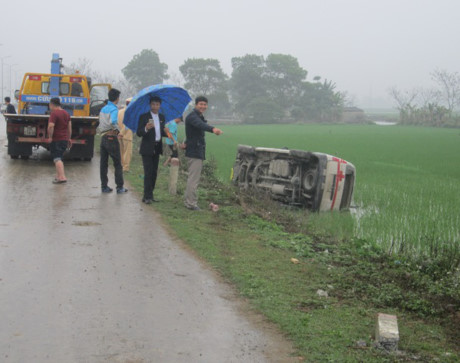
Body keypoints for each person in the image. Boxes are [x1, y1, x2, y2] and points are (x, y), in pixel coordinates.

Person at [184, 96, 223, 211]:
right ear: (196, 105)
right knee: (193, 179)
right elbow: (201, 125)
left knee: (193, 178)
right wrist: (213, 129)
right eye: (200, 104)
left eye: (205, 104)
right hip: (195, 151)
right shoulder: (193, 117)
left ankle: (189, 201)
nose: (203, 106)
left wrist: (185, 142)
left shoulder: (198, 116)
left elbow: (192, 133)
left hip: (196, 149)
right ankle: (191, 204)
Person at [136, 96, 167, 204]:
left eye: (157, 104)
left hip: (157, 147)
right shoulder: (144, 117)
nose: (155, 106)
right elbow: (139, 133)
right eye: (153, 104)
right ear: (150, 105)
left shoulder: (162, 117)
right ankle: (147, 196)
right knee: (148, 172)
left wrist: (168, 132)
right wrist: (146, 128)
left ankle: (150, 195)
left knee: (154, 173)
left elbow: (161, 132)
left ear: (160, 105)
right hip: (147, 147)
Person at [98, 88, 128, 194]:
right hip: (111, 138)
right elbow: (113, 121)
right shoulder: (114, 109)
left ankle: (104, 186)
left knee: (103, 164)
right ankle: (120, 187)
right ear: (117, 98)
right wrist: (118, 131)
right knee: (117, 164)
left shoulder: (103, 109)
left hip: (103, 138)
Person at [47, 98, 71, 184]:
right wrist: (69, 138)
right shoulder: (66, 113)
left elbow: (51, 126)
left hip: (56, 139)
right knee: (59, 157)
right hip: (64, 139)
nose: (49, 107)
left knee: (57, 158)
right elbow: (69, 127)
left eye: (49, 105)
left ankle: (62, 177)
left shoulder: (54, 114)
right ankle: (58, 176)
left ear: (52, 104)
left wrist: (50, 137)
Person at [164, 116, 182, 195]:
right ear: (178, 119)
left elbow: (168, 132)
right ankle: (166, 163)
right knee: (175, 156)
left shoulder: (171, 123)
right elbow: (169, 133)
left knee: (175, 155)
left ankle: (167, 162)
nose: (180, 122)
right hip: (171, 142)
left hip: (170, 141)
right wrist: (174, 141)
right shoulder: (173, 124)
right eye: (180, 120)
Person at [117, 97, 133, 172]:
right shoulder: (130, 112)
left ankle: (121, 165)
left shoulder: (119, 111)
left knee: (121, 152)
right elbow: (127, 125)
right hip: (126, 135)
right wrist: (122, 133)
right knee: (127, 153)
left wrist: (119, 133)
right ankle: (125, 168)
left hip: (119, 134)